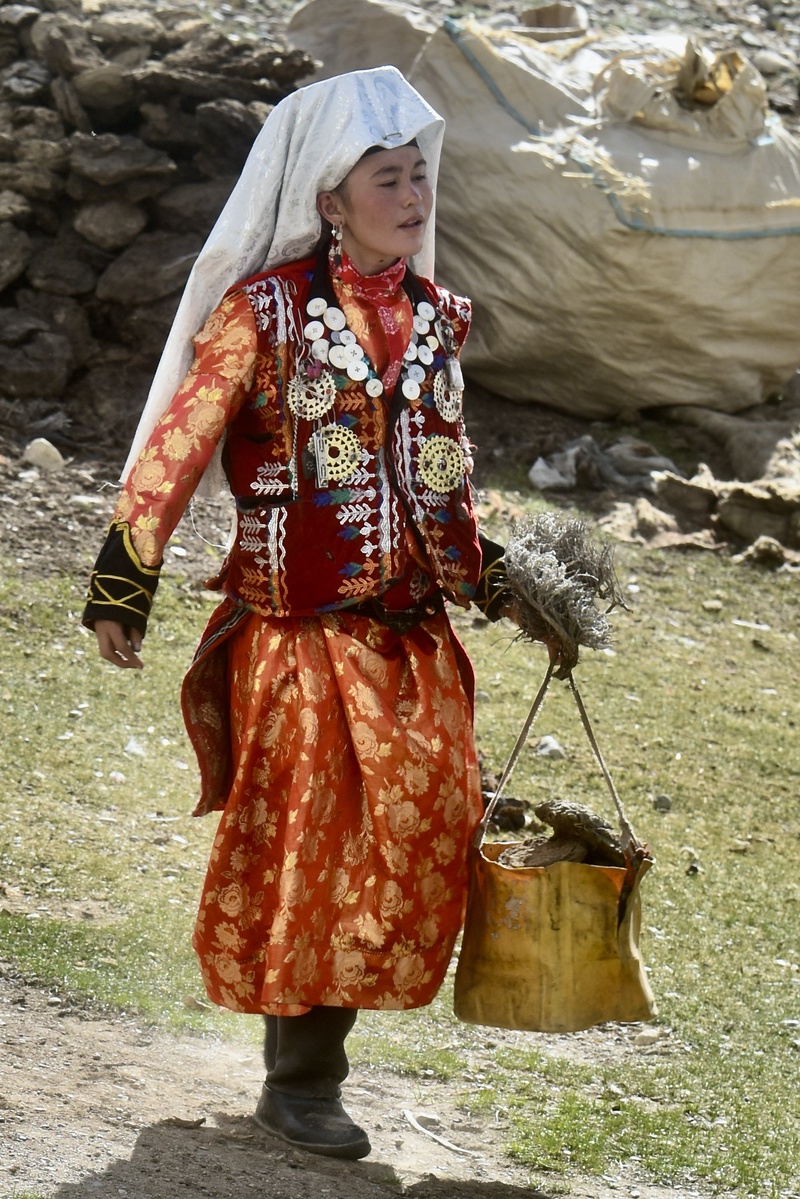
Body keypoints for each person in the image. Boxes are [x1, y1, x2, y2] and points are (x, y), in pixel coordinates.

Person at [83, 67, 509, 1162]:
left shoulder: (436, 317)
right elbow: (180, 440)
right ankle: (303, 1080)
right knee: (313, 842)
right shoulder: (260, 315)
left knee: (421, 828)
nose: (412, 196)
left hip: (411, 637)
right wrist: (126, 576)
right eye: (385, 179)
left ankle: (314, 1057)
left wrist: (502, 578)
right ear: (329, 199)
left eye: (419, 175)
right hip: (298, 634)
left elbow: (440, 474)